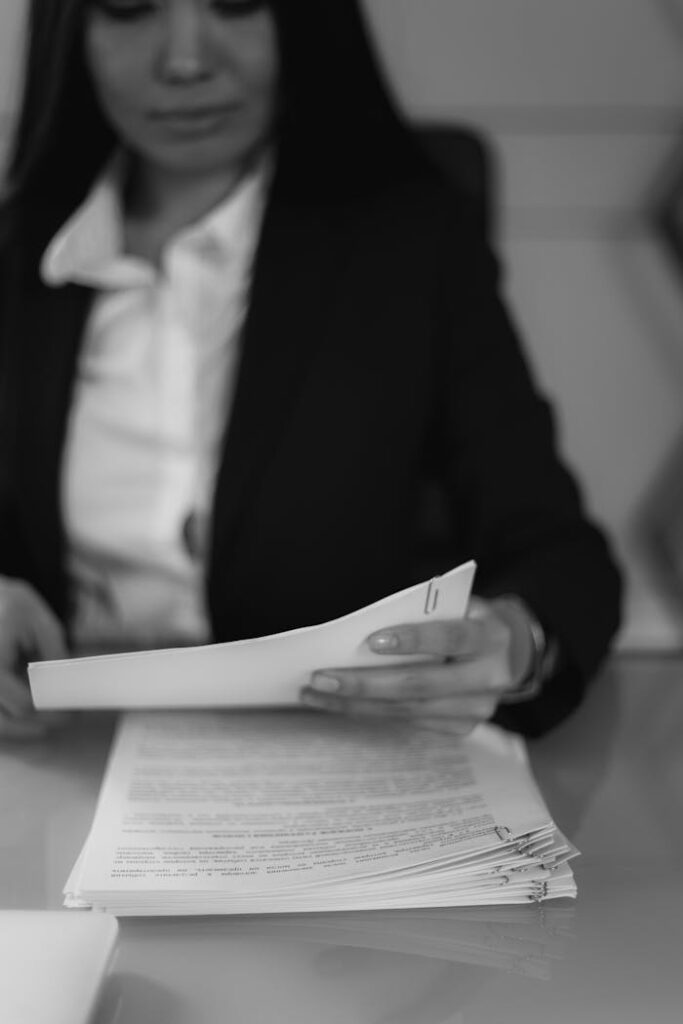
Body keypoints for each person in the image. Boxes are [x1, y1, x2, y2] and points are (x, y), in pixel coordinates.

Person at [0, 0, 621, 741]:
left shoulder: (409, 242)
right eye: (131, 9)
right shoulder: (17, 253)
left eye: (235, 5)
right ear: (70, 33)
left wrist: (515, 642)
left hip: (333, 754)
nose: (186, 60)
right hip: (56, 756)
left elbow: (561, 556)